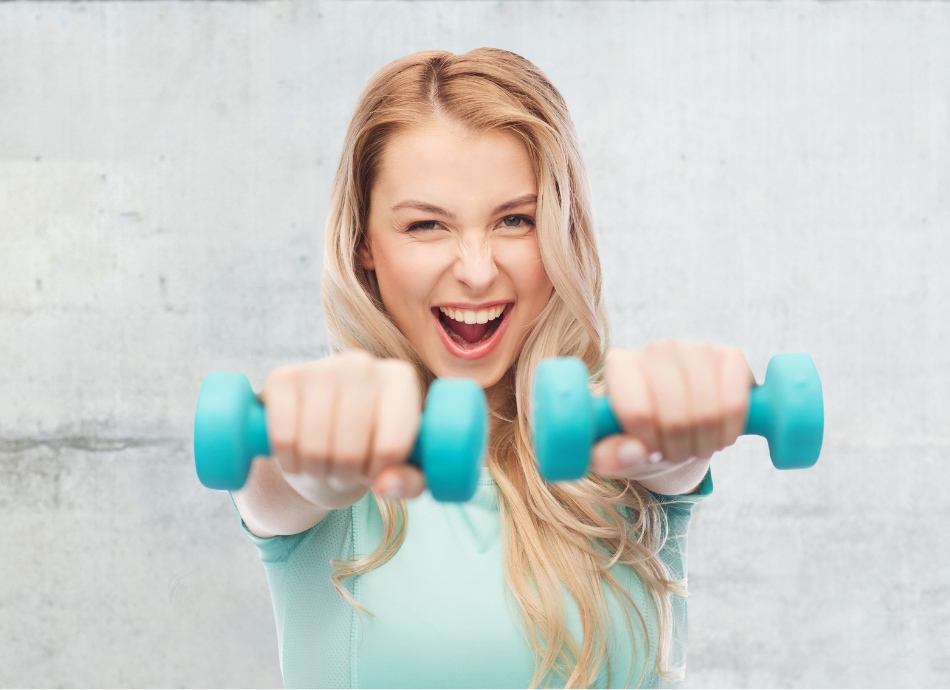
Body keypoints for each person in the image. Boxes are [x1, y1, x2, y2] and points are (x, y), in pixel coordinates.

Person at [230, 48, 752, 689]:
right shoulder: (317, 445)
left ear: (561, 228)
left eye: (515, 220)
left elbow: (670, 459)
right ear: (365, 240)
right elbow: (276, 484)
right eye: (426, 225)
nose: (476, 271)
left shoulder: (617, 437)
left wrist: (683, 411)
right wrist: (308, 452)